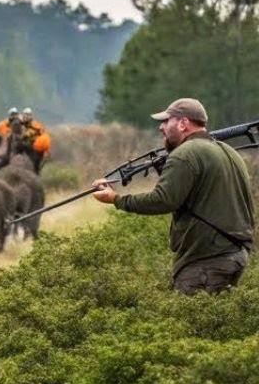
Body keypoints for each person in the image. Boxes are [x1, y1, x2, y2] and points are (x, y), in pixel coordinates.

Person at [92, 97, 254, 294]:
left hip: (206, 259)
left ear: (183, 123)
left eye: (166, 121)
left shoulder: (186, 154)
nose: (161, 127)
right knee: (217, 321)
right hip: (235, 255)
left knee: (189, 323)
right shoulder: (228, 151)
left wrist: (116, 199)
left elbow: (163, 200)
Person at [0, 106, 49, 172]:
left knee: (36, 160)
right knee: (9, 157)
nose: (27, 116)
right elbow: (15, 136)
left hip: (31, 146)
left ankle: (35, 173)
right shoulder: (17, 123)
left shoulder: (36, 125)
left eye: (28, 115)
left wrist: (45, 150)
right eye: (25, 114)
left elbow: (44, 137)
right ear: (23, 115)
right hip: (17, 145)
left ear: (31, 116)